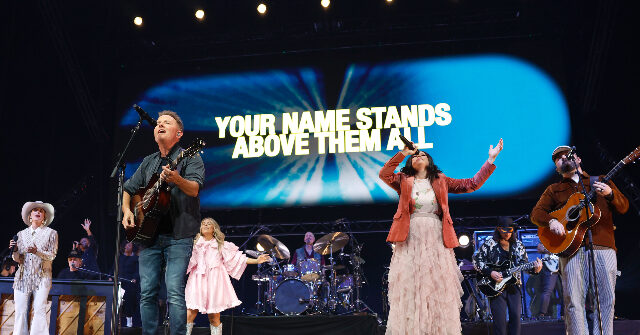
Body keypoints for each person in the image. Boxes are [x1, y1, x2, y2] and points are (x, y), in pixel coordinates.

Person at [380, 139, 503, 335]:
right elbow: (384, 174)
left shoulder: (440, 180)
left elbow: (471, 184)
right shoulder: (403, 180)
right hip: (411, 235)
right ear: (410, 163)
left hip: (436, 235)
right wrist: (403, 153)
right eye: (415, 156)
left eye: (422, 155)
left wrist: (490, 160)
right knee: (413, 285)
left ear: (429, 161)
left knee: (436, 285)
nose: (418, 156)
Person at [121, 110, 205, 335]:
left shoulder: (190, 156)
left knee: (175, 291)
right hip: (149, 237)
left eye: (166, 123)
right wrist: (127, 211)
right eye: (158, 123)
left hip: (179, 235)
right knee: (147, 291)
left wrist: (177, 179)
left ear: (178, 133)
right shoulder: (149, 161)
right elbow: (128, 188)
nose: (159, 125)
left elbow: (194, 189)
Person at [530, 146, 629, 335]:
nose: (563, 159)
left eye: (566, 155)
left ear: (578, 158)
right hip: (570, 250)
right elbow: (536, 214)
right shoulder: (554, 189)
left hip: (603, 247)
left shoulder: (600, 181)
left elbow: (624, 207)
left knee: (606, 301)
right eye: (558, 159)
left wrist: (610, 194)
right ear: (556, 168)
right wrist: (551, 221)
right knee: (574, 302)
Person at [185, 218, 270, 335]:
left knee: (214, 317)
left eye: (208, 223)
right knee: (190, 314)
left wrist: (257, 261)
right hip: (197, 280)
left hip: (214, 282)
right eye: (203, 224)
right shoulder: (194, 244)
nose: (205, 225)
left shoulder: (222, 245)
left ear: (214, 228)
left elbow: (238, 258)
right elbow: (186, 262)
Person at [473, 217, 543, 335]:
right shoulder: (490, 244)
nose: (508, 234)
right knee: (499, 322)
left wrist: (535, 269)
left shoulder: (518, 245)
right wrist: (490, 272)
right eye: (505, 231)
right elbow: (476, 261)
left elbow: (523, 265)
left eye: (510, 231)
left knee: (516, 319)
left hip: (514, 285)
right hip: (495, 287)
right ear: (498, 229)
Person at [9, 201, 58, 335]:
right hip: (23, 276)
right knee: (20, 310)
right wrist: (15, 250)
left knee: (39, 309)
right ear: (30, 215)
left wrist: (37, 252)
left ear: (44, 217)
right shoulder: (20, 234)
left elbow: (52, 255)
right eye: (35, 210)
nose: (38, 212)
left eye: (41, 211)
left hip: (42, 276)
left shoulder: (51, 233)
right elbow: (18, 259)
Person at [110, 241, 141, 328]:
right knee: (116, 302)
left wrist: (135, 278)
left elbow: (138, 270)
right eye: (126, 244)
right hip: (119, 283)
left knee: (128, 302)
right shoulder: (119, 257)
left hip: (129, 284)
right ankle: (115, 321)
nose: (127, 246)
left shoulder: (136, 258)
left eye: (130, 245)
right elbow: (113, 268)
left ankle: (129, 322)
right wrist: (110, 277)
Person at [536, 242, 560, 318]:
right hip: (552, 265)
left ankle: (564, 314)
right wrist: (548, 250)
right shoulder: (548, 235)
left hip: (565, 264)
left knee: (566, 290)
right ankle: (542, 314)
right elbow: (539, 248)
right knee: (547, 290)